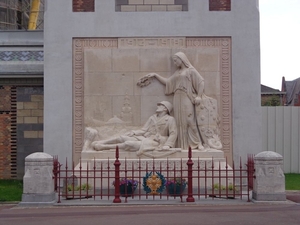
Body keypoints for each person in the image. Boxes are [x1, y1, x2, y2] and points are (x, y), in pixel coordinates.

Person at [145, 52, 205, 150]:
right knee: (179, 122)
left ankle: (198, 143)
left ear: (182, 59)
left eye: (176, 60)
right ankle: (182, 145)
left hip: (187, 97)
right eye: (173, 60)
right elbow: (168, 82)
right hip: (177, 98)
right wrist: (155, 75)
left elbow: (201, 81)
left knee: (190, 120)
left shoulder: (191, 70)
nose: (174, 62)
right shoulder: (177, 72)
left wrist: (199, 96)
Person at [91, 101, 177, 155]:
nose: (158, 107)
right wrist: (134, 132)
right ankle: (101, 142)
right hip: (145, 137)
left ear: (166, 109)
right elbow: (144, 130)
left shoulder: (169, 119)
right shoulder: (152, 117)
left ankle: (102, 147)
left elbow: (173, 133)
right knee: (123, 137)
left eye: (160, 105)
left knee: (129, 143)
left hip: (157, 142)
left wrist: (167, 145)